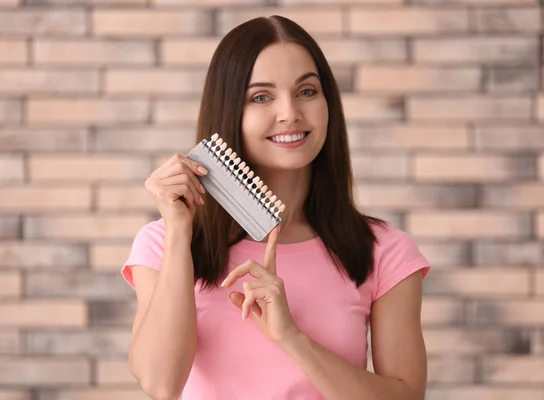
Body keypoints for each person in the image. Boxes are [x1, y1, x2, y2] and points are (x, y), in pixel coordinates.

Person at [121, 15, 431, 400]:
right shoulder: (164, 243)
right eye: (261, 97)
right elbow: (161, 385)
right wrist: (181, 232)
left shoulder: (384, 251)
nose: (289, 113)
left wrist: (292, 338)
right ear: (229, 111)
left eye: (307, 91)